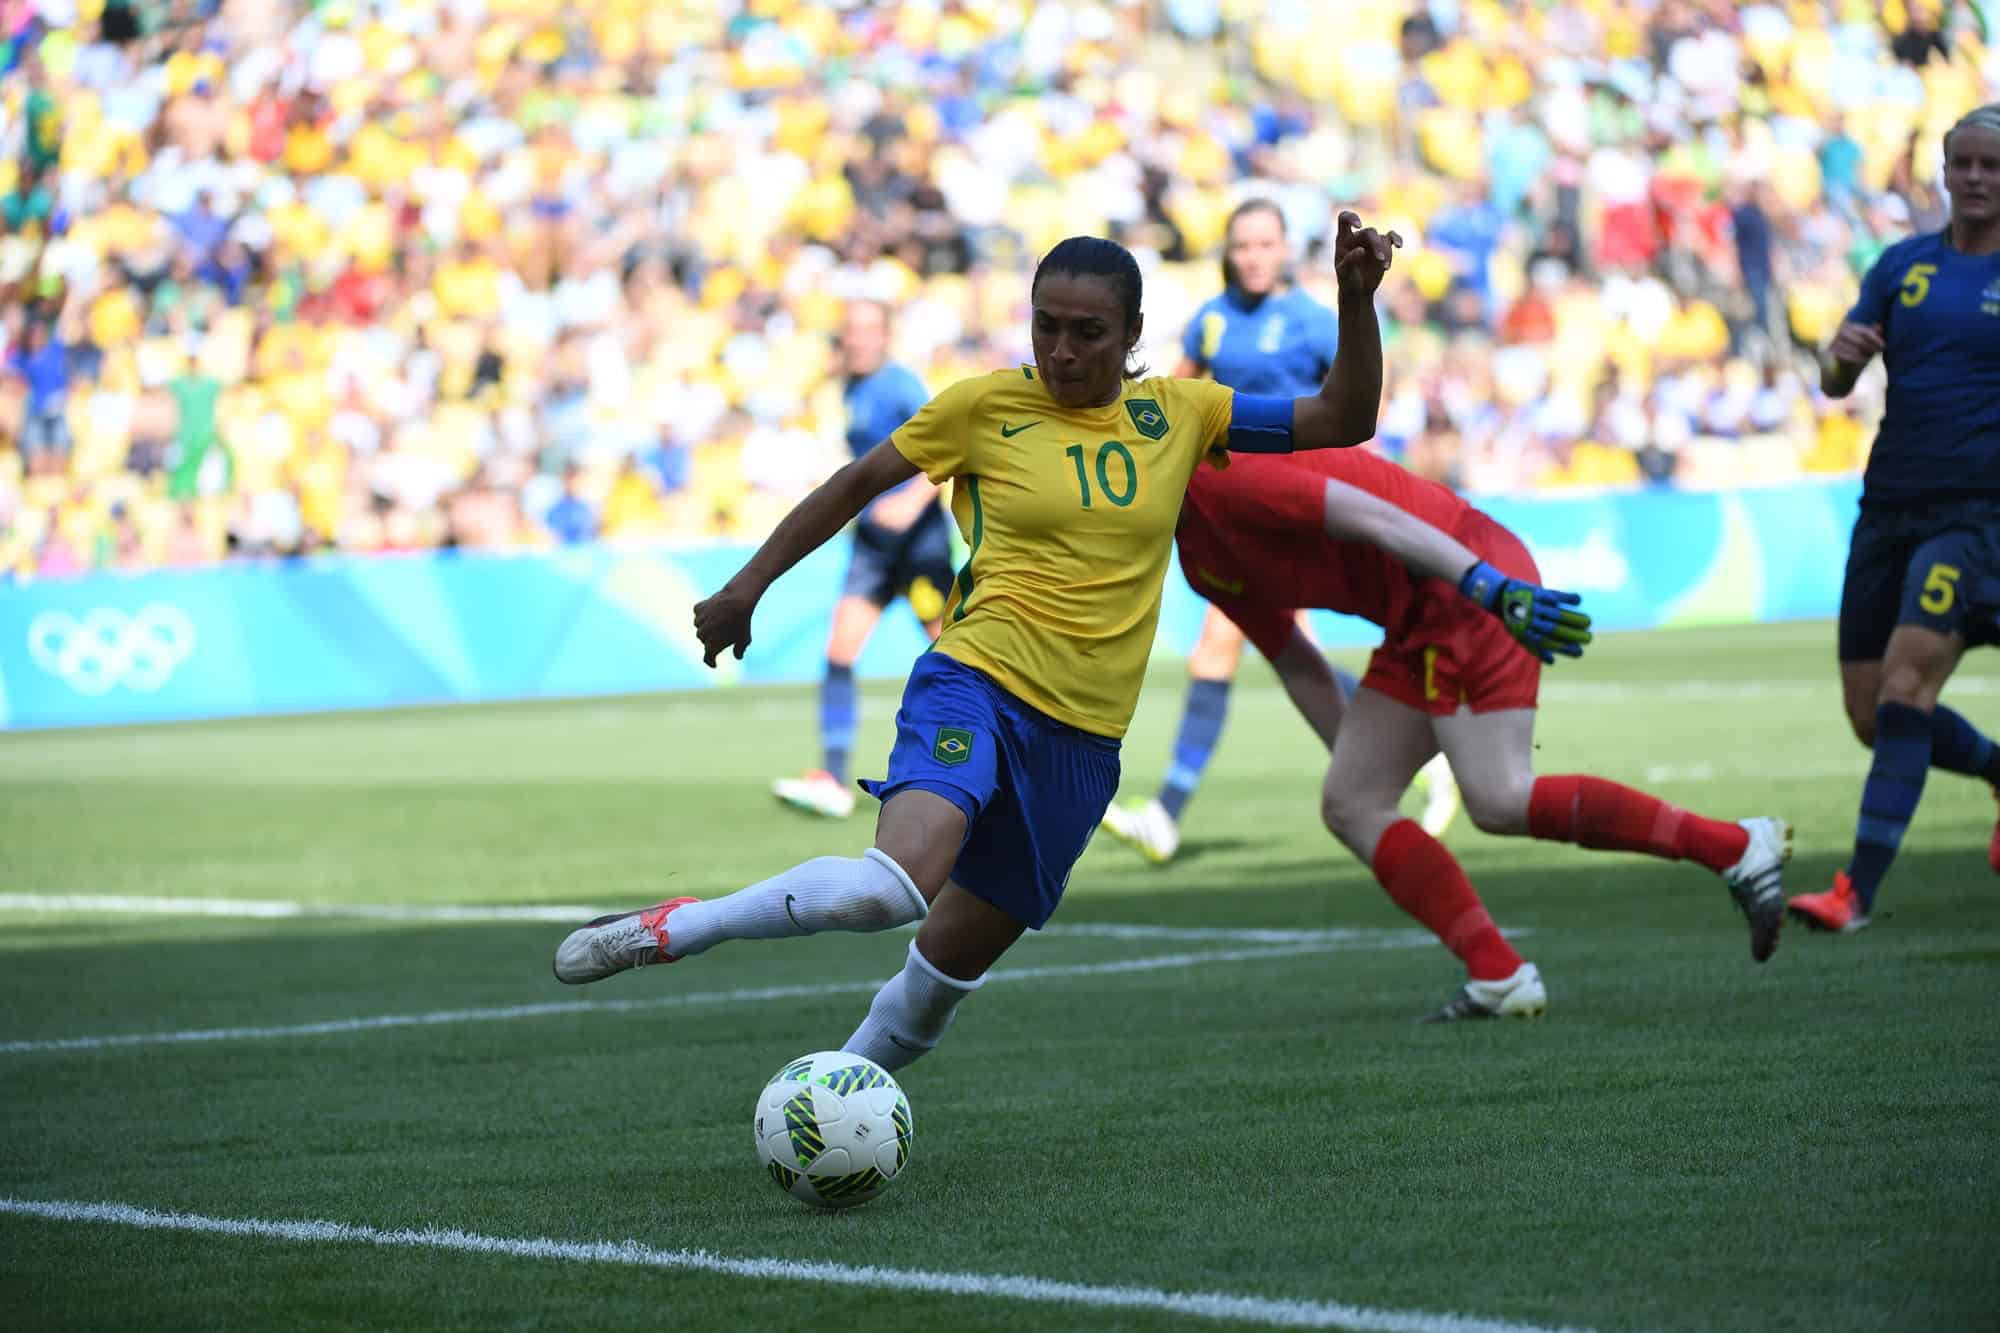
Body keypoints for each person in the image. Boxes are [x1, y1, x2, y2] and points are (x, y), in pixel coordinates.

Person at [552, 217, 1545, 1074]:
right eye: (1046, 328)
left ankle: (830, 1098)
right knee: (885, 888)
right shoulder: (982, 406)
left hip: (1080, 749)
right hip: (974, 682)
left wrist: (1352, 298)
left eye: (1086, 333)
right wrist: (745, 587)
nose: (1062, 352)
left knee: (934, 990)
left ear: (1130, 336)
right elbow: (856, 484)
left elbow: (1345, 416)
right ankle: (676, 927)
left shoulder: (1183, 413)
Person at [1173, 446, 1793, 1019]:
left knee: (1497, 797)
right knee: (1353, 801)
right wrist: (1359, 754)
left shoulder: (1221, 476)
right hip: (1415, 614)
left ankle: (1734, 847)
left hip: (1464, 578)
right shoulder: (1198, 559)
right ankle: (1498, 975)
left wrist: (1489, 589)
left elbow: (1378, 519)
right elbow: (1295, 660)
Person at [1100, 199, 1459, 867]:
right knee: (1280, 654)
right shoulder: (1210, 322)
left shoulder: (1313, 321)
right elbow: (1176, 403)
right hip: (1234, 513)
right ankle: (1413, 759)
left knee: (1246, 651)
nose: (1253, 256)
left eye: (1266, 244)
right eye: (1242, 245)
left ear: (1285, 250)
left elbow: (1358, 398)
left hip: (1300, 508)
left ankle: (1173, 812)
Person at [1789, 105, 2000, 934]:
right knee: (1873, 713)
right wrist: (1838, 357)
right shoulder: (1901, 266)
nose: (1977, 178)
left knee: (1910, 681)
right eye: (1965, 164)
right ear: (1943, 172)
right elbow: (1837, 379)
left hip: (1976, 515)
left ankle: (1856, 893)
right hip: (1886, 508)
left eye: (1992, 165)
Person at [771, 301, 949, 820]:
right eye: (853, 332)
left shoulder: (900, 386)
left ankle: (995, 759)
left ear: (886, 336)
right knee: (840, 648)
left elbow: (942, 450)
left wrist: (911, 501)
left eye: (871, 331)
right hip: (874, 546)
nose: (861, 340)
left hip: (920, 545)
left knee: (951, 653)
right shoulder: (849, 388)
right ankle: (832, 775)